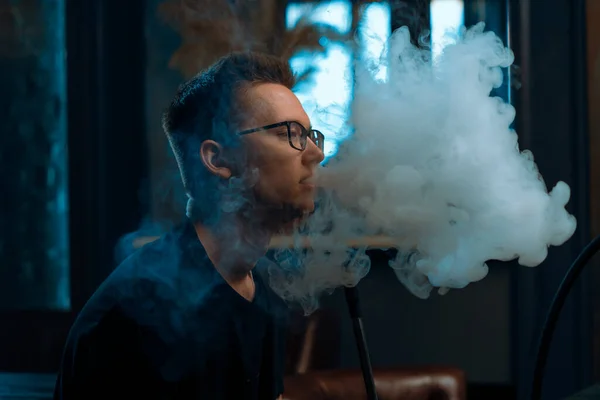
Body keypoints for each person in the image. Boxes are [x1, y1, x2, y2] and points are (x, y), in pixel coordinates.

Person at [54, 51, 325, 400]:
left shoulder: (263, 297)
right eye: (290, 132)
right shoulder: (139, 310)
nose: (315, 153)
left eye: (311, 135)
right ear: (217, 159)